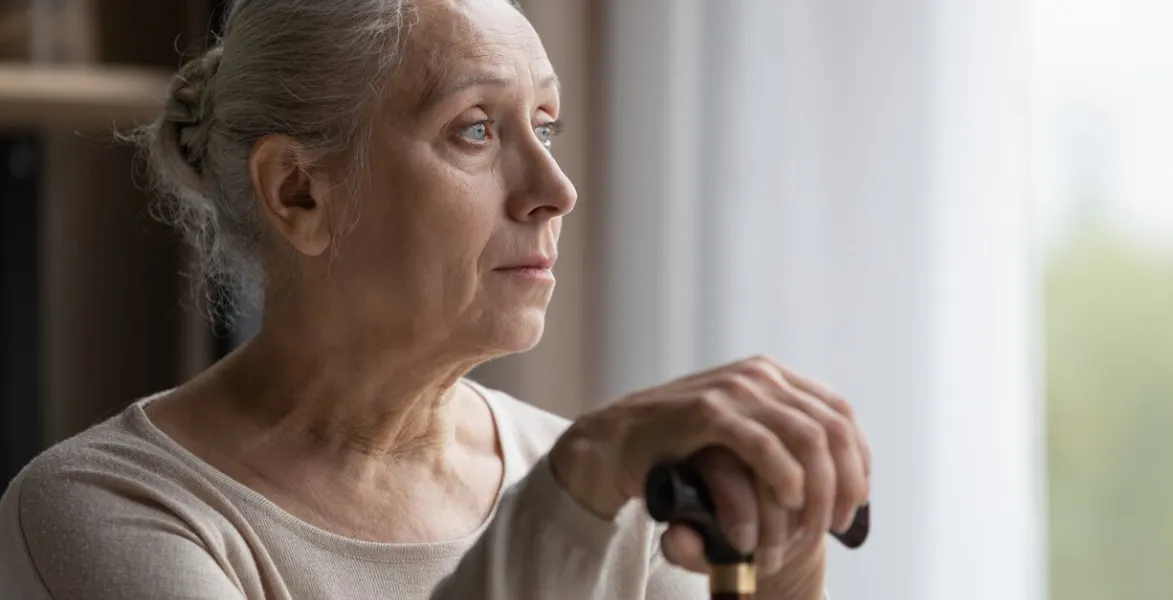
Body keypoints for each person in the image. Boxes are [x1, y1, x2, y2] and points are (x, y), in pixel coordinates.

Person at [0, 0, 871, 598]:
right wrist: (572, 498)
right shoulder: (106, 508)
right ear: (300, 192)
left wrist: (781, 575)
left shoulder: (595, 483)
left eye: (547, 125)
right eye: (477, 130)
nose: (555, 189)